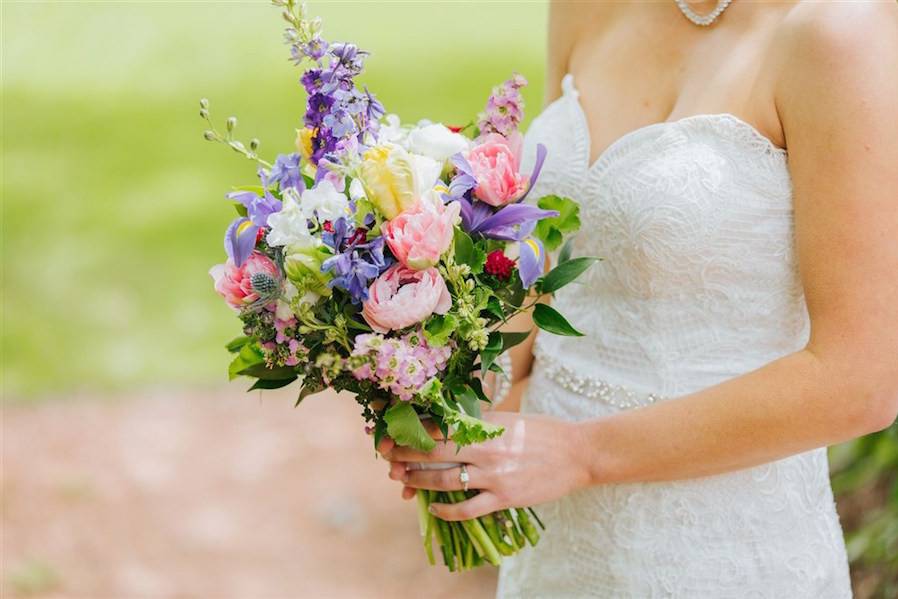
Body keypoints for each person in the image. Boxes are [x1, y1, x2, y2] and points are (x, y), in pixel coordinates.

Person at [379, 1, 898, 596]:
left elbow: (861, 383)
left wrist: (581, 454)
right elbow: (553, 239)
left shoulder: (840, 34)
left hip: (723, 549)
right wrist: (461, 391)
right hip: (555, 536)